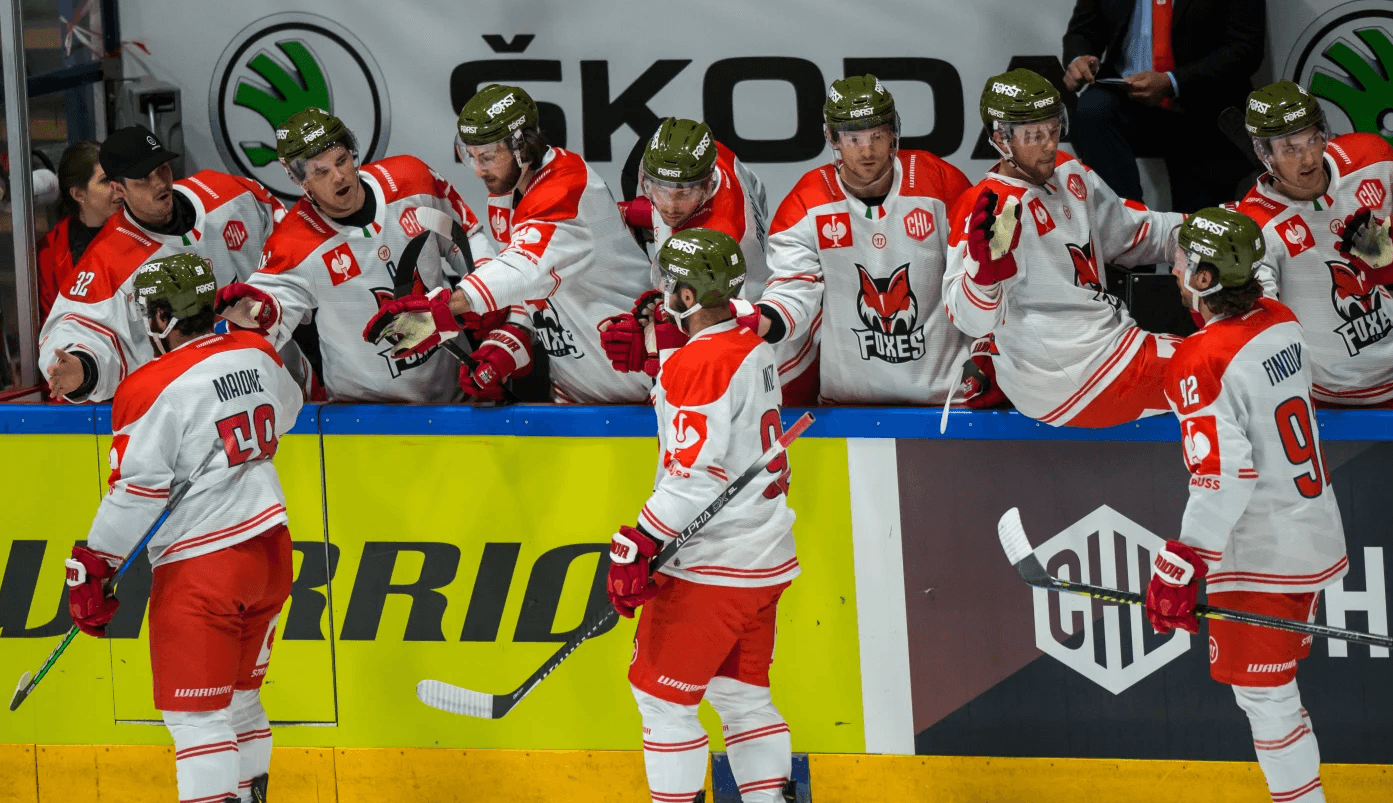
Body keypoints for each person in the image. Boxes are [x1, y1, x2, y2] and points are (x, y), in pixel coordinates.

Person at [64, 253, 302, 803]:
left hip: (206, 567)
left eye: (150, 312)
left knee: (195, 717)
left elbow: (137, 492)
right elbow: (286, 412)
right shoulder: (257, 351)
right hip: (270, 550)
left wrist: (95, 562)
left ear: (164, 317)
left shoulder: (148, 386)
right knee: (240, 702)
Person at [1148, 206, 1347, 803]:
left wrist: (1182, 561)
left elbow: (1225, 474)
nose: (1176, 267)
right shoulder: (1280, 319)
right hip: (1311, 530)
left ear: (1207, 278)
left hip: (1264, 551)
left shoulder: (1198, 359)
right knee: (1273, 694)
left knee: (1267, 697)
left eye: (1184, 259)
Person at [607, 229, 798, 803]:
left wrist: (639, 540)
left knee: (663, 704)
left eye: (671, 285)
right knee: (742, 700)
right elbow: (712, 418)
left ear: (688, 296)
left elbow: (694, 477)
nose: (663, 293)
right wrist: (665, 355)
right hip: (763, 558)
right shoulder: (749, 344)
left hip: (710, 567)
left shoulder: (701, 363)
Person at [364, 84, 650, 404]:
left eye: (487, 157)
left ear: (522, 146)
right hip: (574, 394)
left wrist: (441, 309)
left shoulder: (567, 185)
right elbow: (529, 294)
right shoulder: (506, 193)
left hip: (644, 386)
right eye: (470, 156)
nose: (477, 170)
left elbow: (524, 270)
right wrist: (503, 349)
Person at [943, 69, 1185, 427]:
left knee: (1215, 356)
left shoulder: (1069, 172)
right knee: (1220, 368)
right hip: (1065, 373)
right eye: (1033, 134)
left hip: (1106, 343)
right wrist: (982, 281)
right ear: (1000, 137)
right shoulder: (995, 209)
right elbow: (970, 320)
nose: (1048, 144)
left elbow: (1134, 232)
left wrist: (1205, 226)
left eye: (1053, 128)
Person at [216, 107, 495, 403]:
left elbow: (465, 241)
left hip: (457, 393)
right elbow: (270, 318)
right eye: (321, 172)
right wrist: (254, 317)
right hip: (365, 415)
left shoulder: (411, 180)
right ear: (301, 181)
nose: (339, 177)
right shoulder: (293, 243)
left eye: (342, 160)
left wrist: (483, 292)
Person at [747, 75, 975, 406]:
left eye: (876, 136)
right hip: (850, 402)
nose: (867, 150)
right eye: (853, 138)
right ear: (832, 137)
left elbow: (974, 281)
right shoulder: (805, 202)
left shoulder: (941, 183)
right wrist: (757, 319)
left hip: (944, 399)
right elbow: (792, 290)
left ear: (893, 132)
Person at [38, 126, 286, 402]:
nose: (160, 183)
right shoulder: (106, 259)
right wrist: (83, 368)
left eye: (163, 168)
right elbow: (72, 327)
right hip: (195, 405)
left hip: (277, 374)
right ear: (119, 189)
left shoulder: (227, 193)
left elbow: (289, 244)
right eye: (144, 177)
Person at [602, 117, 819, 404]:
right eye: (658, 190)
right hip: (762, 339)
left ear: (706, 185)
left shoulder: (709, 242)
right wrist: (648, 215)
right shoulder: (715, 156)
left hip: (768, 367)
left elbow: (707, 337)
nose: (669, 205)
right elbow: (759, 193)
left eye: (684, 193)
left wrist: (651, 348)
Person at [1234, 80, 1393, 406]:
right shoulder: (1255, 225)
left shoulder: (1372, 157)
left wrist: (1388, 259)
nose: (1308, 158)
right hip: (1324, 396)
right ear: (1265, 154)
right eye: (1290, 149)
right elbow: (1262, 329)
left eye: (1313, 140)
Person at [1062, 0, 1264, 211]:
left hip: (1203, 106)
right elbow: (1082, 32)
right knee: (1092, 109)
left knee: (1199, 230)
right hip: (1126, 100)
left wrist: (1173, 81)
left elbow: (1246, 48)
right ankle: (1127, 224)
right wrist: (1079, 59)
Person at [36, 141, 122, 321]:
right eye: (106, 180)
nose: (118, 188)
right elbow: (51, 324)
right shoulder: (49, 252)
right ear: (78, 194)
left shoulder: (137, 229)